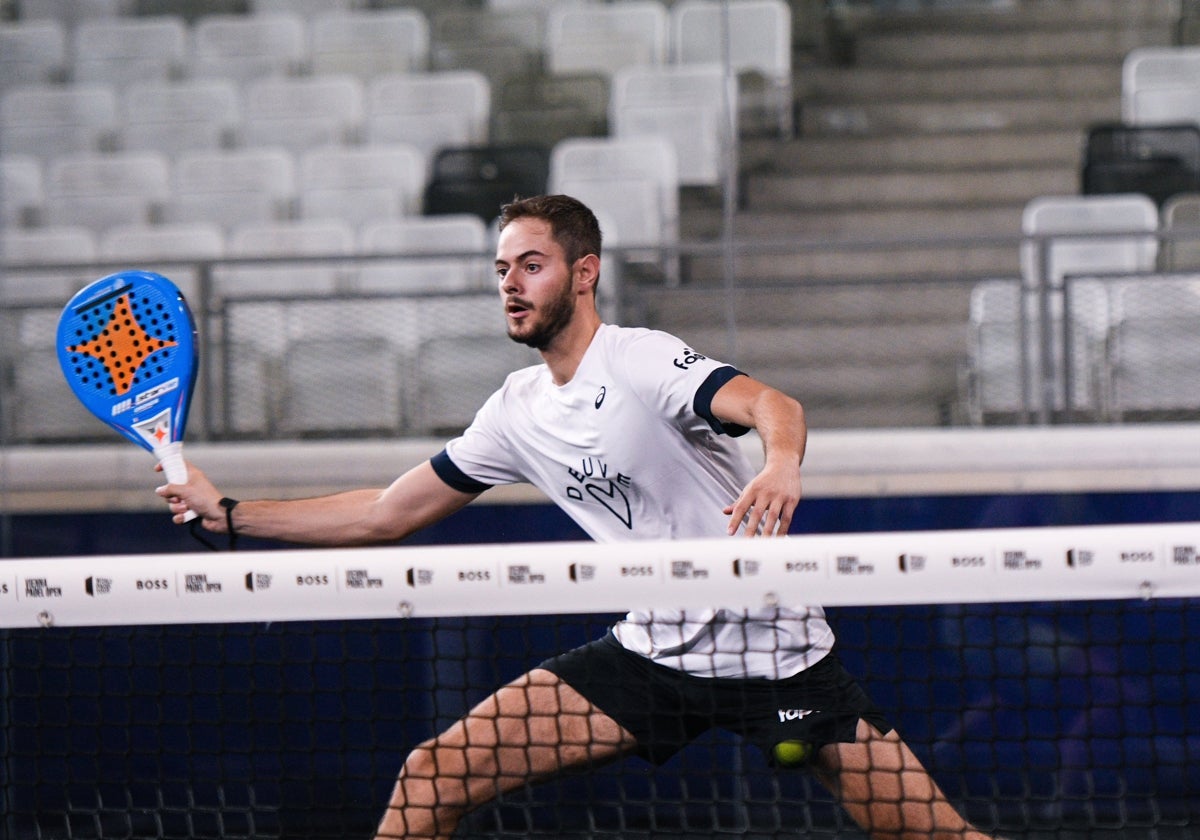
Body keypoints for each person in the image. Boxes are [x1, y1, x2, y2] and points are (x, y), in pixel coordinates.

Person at [159, 194, 994, 840]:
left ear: (584, 273)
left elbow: (773, 402)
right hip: (652, 656)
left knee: (930, 832)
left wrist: (779, 462)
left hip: (775, 654)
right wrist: (231, 515)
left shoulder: (641, 359)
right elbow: (384, 514)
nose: (510, 286)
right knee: (432, 775)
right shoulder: (516, 409)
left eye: (531, 266)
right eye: (501, 271)